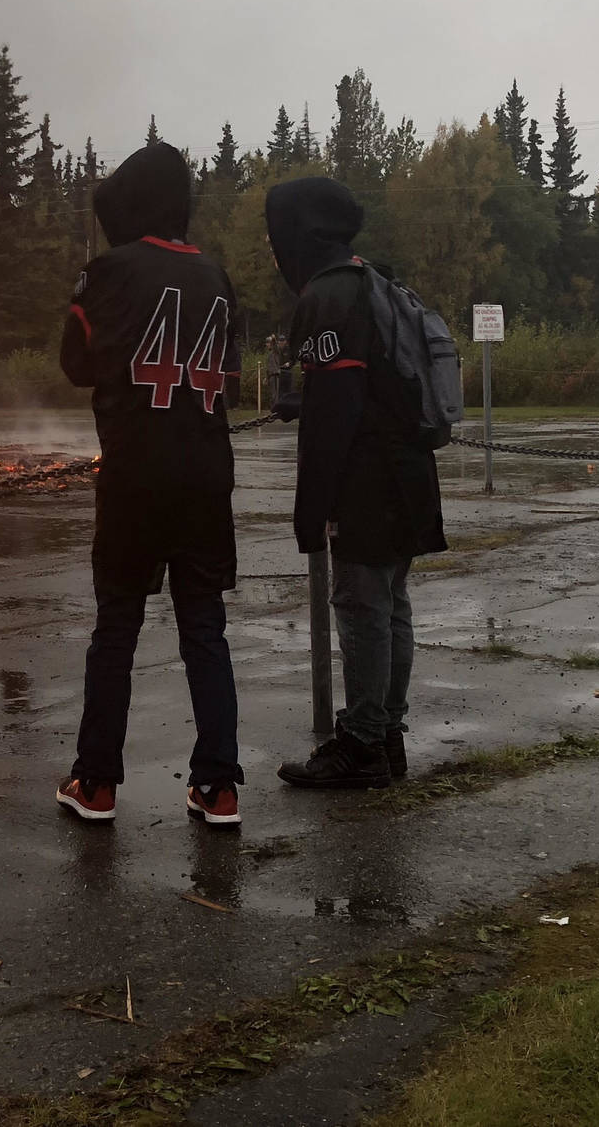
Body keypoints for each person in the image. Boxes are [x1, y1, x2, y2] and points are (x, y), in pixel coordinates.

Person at [55, 141, 245, 828]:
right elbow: (228, 366)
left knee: (117, 630)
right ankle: (218, 786)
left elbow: (75, 362)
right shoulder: (219, 277)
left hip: (136, 475)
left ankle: (97, 782)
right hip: (205, 475)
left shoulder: (112, 271)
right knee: (205, 630)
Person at [265, 178, 446, 787]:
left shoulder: (328, 295)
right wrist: (309, 397)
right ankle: (387, 735)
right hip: (408, 468)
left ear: (296, 235)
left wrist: (311, 510)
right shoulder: (378, 280)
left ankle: (363, 743)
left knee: (362, 606)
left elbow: (338, 409)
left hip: (366, 477)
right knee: (392, 604)